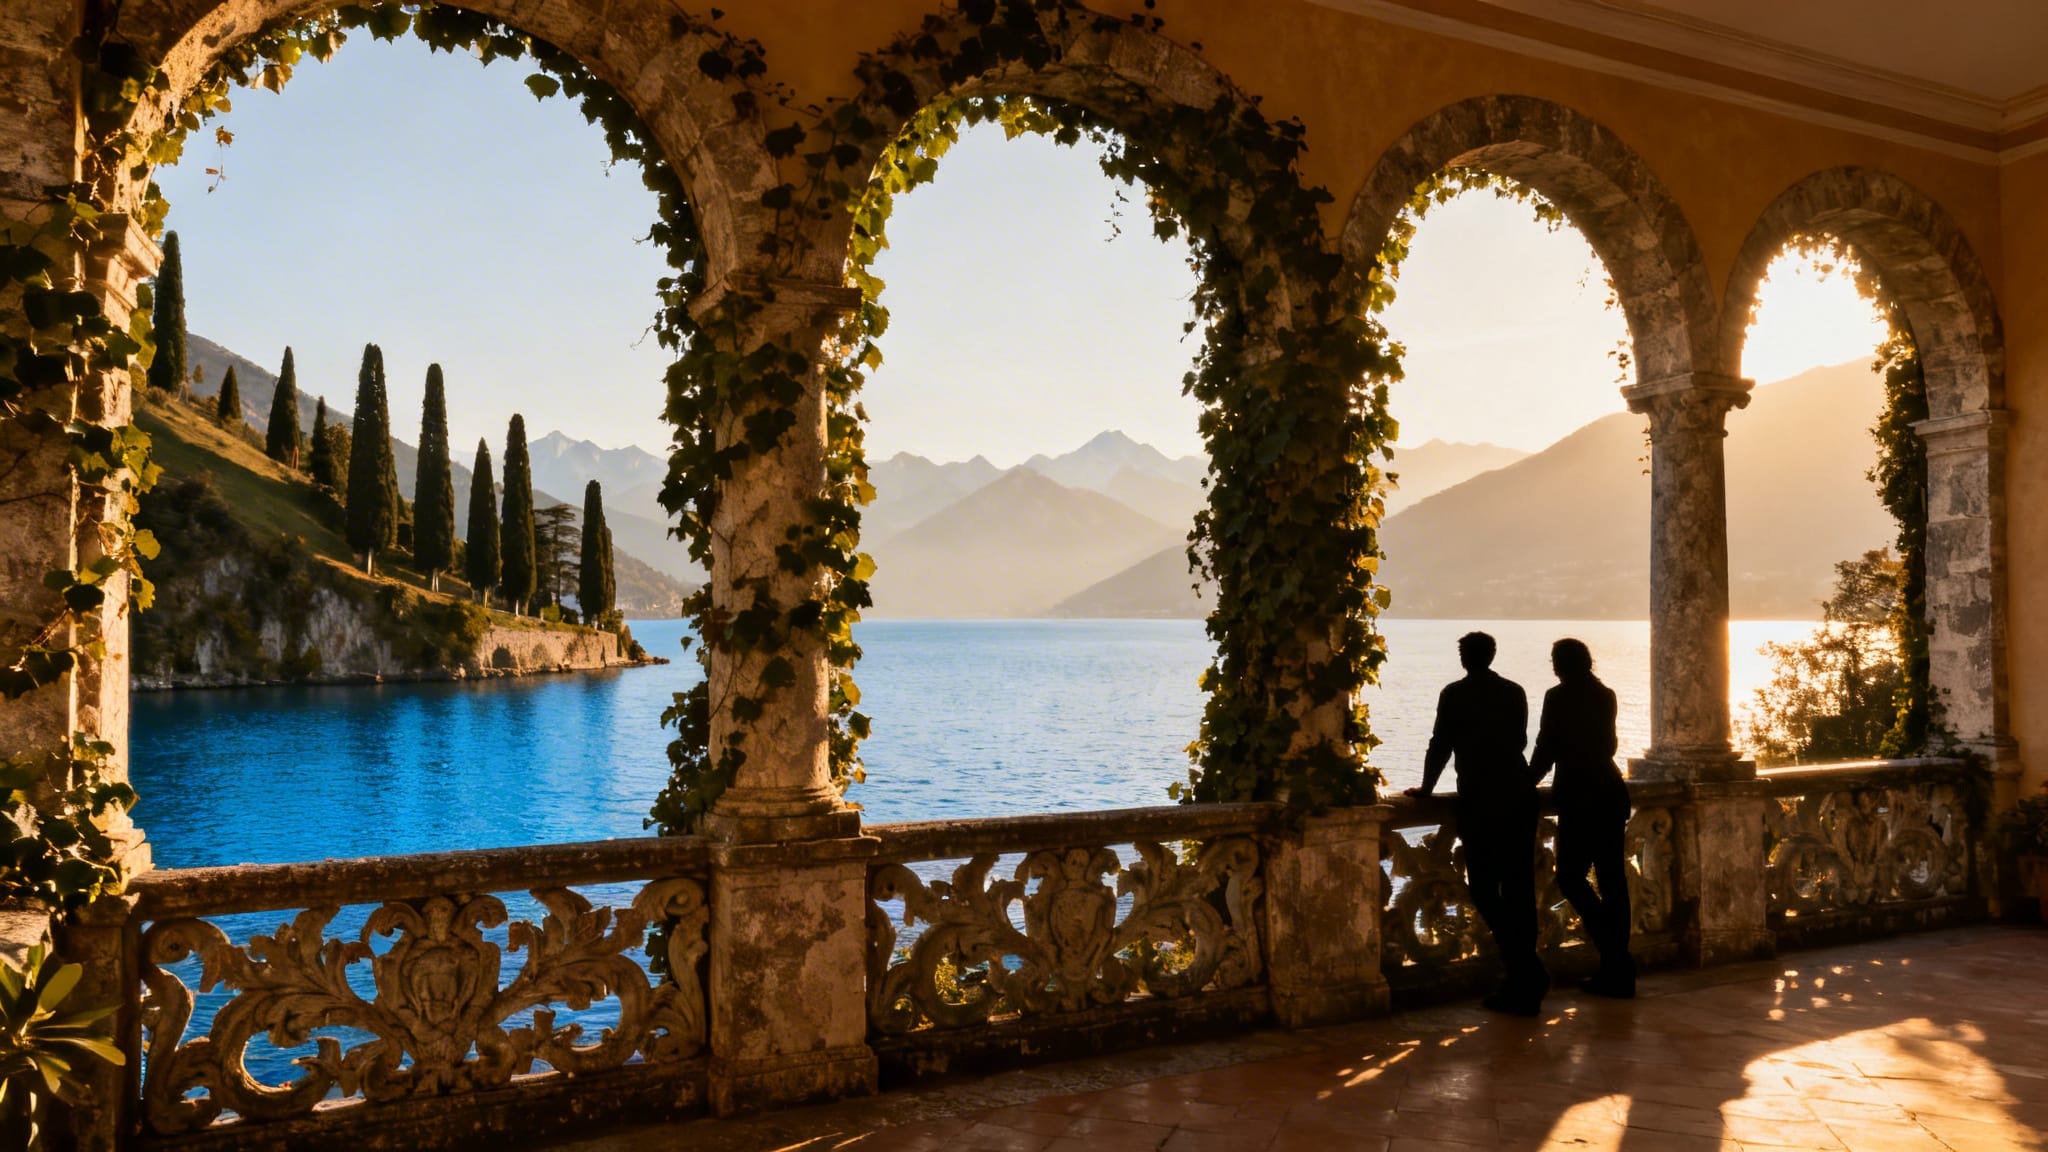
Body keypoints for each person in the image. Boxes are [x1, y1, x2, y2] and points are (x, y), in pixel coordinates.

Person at [1404, 631, 1546, 1016]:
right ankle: (1526, 974)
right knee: (1518, 889)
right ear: (1493, 655)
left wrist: (1427, 788)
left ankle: (1525, 973)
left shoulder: (1454, 694)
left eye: (1464, 651)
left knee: (1485, 889)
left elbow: (1440, 744)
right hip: (1517, 795)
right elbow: (1519, 739)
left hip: (1481, 799)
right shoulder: (1514, 691)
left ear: (1467, 657)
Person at [1529, 637, 1635, 998]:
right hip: (1609, 793)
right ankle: (1618, 966)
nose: (1553, 667)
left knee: (1571, 877)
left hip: (1580, 798)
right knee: (1612, 882)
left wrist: (1526, 781)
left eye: (1555, 660)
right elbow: (1609, 747)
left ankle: (1615, 957)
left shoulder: (1557, 697)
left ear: (1563, 664)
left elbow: (1546, 746)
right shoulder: (1605, 694)